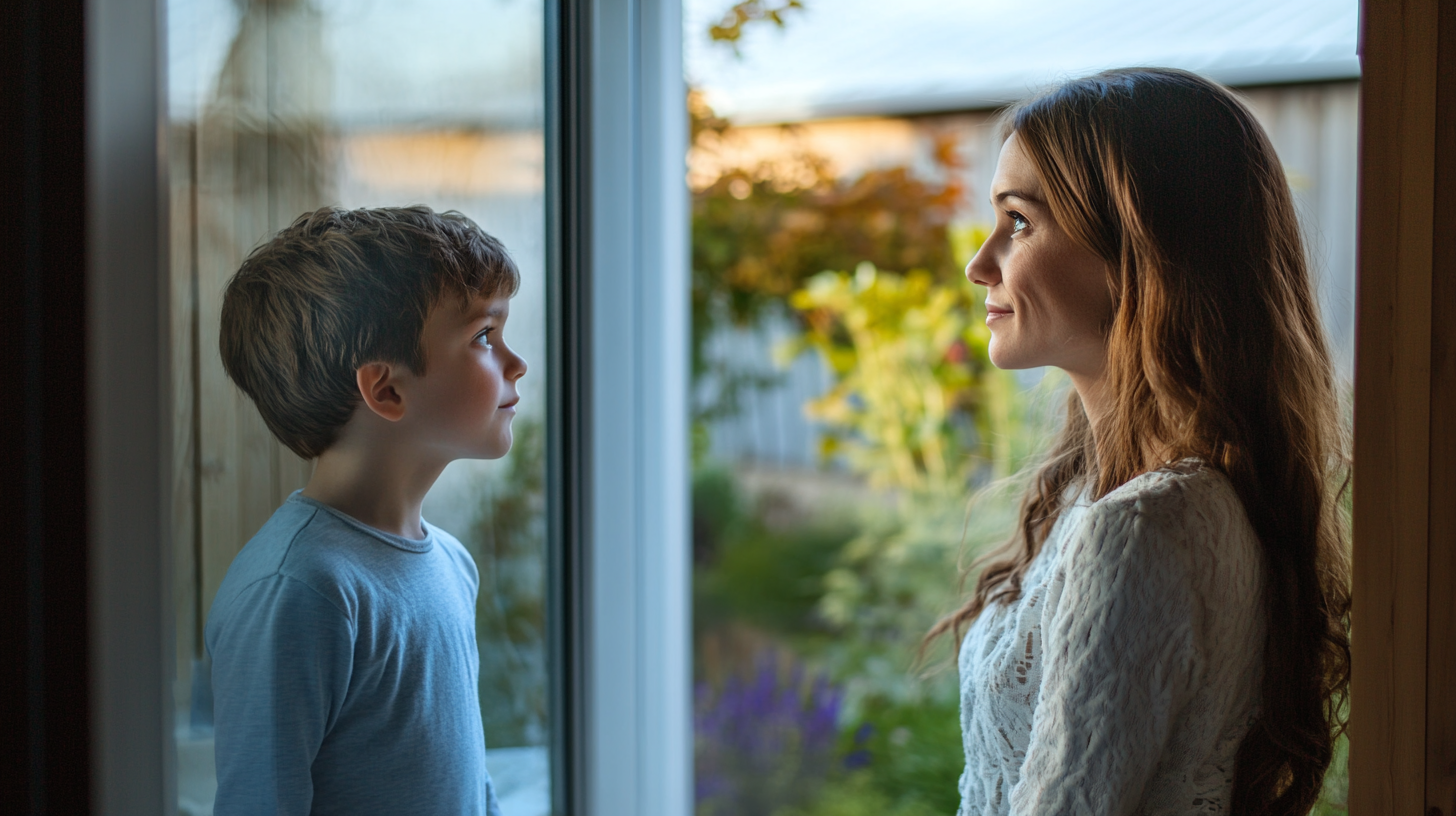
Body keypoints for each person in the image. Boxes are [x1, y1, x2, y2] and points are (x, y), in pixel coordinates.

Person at [929, 68, 1351, 815]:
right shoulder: (1101, 494)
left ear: (1139, 249)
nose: (979, 263)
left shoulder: (1147, 527)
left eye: (1019, 221)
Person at [206, 206, 528, 815]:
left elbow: (467, 780)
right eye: (484, 337)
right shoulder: (299, 590)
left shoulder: (453, 565)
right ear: (385, 390)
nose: (516, 364)